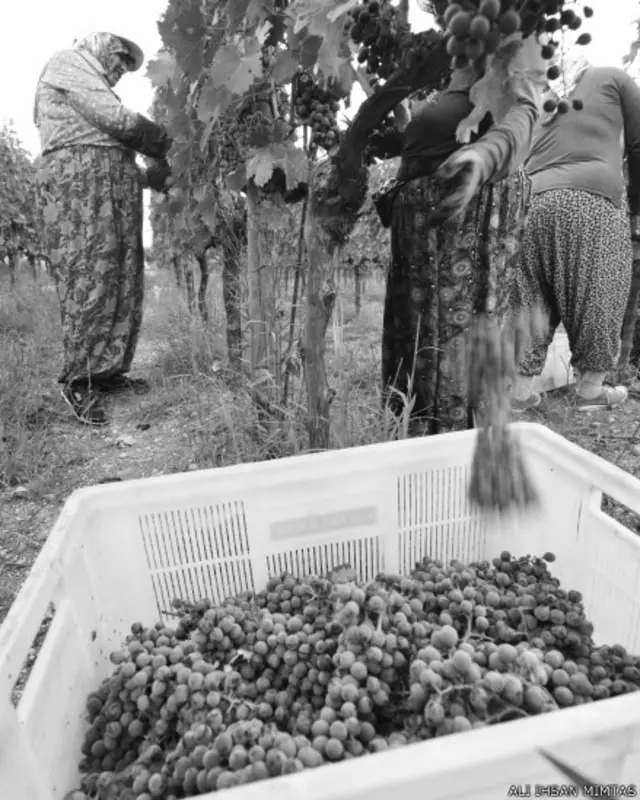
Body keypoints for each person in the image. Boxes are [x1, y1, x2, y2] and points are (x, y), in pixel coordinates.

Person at [377, 34, 545, 435]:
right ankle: (420, 458)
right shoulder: (454, 51)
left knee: (453, 351)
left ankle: (452, 461)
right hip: (424, 230)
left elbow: (527, 110)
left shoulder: (509, 37)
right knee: (421, 351)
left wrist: (484, 156)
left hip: (464, 220)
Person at [34, 32, 173, 426]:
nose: (117, 73)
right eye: (116, 61)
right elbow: (118, 123)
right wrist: (171, 142)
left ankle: (107, 372)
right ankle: (78, 381)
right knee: (89, 278)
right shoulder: (68, 62)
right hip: (80, 191)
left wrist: (148, 176)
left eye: (124, 68)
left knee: (122, 280)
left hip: (113, 189)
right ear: (98, 48)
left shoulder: (93, 81)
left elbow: (111, 145)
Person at [510, 61, 640, 412]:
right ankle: (590, 390)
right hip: (590, 200)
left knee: (531, 298)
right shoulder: (617, 78)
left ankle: (518, 394)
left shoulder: (557, 112)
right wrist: (637, 215)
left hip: (529, 204)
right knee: (601, 288)